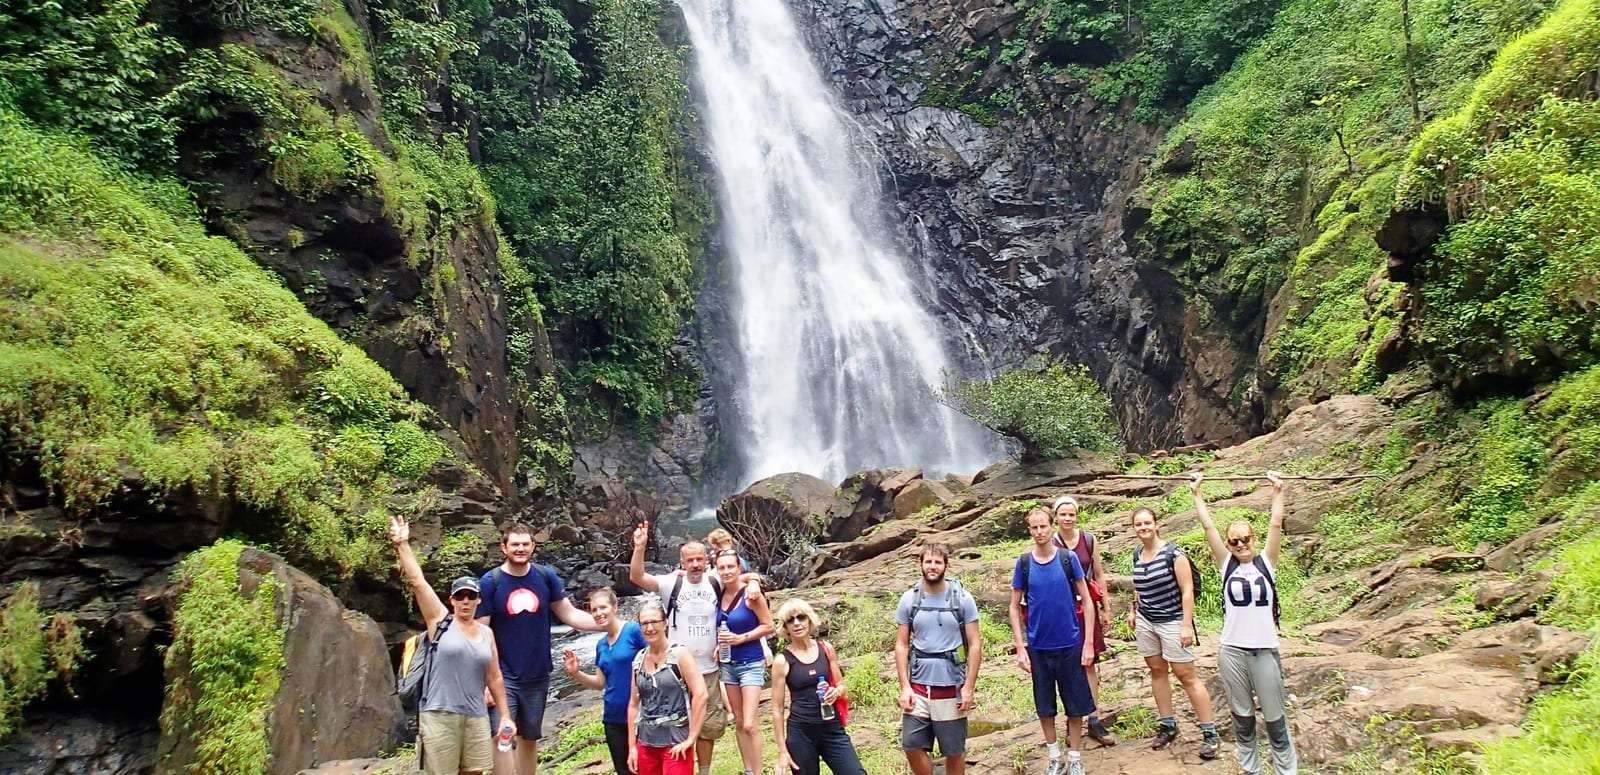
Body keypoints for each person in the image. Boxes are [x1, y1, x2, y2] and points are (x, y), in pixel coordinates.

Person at [389, 515, 514, 775]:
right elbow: (418, 582)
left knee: (475, 771)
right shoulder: (440, 622)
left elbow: (495, 677)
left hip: (476, 716)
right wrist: (402, 544)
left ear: (479, 600)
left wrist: (505, 715)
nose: (466, 601)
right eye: (460, 597)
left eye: (471, 596)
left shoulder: (486, 633)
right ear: (452, 600)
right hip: (439, 714)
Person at [1192, 471, 1299, 775]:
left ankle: (1285, 771)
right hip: (1233, 651)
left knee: (1276, 717)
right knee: (1243, 717)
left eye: (1245, 539)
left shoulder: (1267, 562)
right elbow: (1208, 526)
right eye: (1234, 541)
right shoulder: (1226, 566)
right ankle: (1251, 770)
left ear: (1254, 539)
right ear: (1229, 544)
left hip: (1265, 650)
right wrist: (1197, 495)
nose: (1240, 545)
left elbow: (1276, 524)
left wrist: (1279, 492)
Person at [477, 523, 601, 775]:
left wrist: (610, 626)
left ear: (533, 546)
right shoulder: (491, 582)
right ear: (504, 547)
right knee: (502, 735)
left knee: (530, 737)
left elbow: (569, 614)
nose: (520, 549)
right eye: (515, 544)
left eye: (525, 544)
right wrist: (483, 682)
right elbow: (480, 635)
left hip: (537, 672)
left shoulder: (546, 577)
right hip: (502, 675)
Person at [629, 523, 736, 775]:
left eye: (700, 559)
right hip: (673, 671)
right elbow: (637, 577)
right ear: (682, 563)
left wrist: (753, 583)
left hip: (708, 668)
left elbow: (743, 576)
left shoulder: (715, 581)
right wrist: (639, 547)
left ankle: (705, 771)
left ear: (707, 560)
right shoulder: (670, 584)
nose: (695, 564)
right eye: (690, 560)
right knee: (676, 723)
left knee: (707, 726)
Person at [1127, 506, 1220, 758]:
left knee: (1186, 675)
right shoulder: (1137, 555)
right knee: (1157, 671)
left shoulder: (1174, 554)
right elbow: (1139, 587)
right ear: (1134, 528)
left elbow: (1187, 590)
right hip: (1147, 622)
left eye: (1147, 523)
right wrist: (1134, 611)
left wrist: (1186, 624)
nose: (1143, 528)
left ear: (1156, 524)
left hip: (1172, 621)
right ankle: (1167, 724)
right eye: (1138, 524)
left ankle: (1210, 733)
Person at [1010, 507, 1097, 775]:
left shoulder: (1067, 559)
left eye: (1043, 527)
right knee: (1045, 706)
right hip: (1038, 647)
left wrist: (1088, 642)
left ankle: (1074, 756)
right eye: (1034, 528)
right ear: (1029, 531)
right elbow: (1013, 607)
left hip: (1070, 642)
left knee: (1076, 704)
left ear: (1051, 527)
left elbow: (1088, 600)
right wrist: (1021, 647)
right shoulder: (1024, 563)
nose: (1039, 532)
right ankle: (1054, 755)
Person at [895, 543, 982, 775]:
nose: (932, 566)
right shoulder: (908, 600)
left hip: (951, 686)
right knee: (912, 745)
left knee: (953, 750)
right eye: (928, 562)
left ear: (946, 565)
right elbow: (902, 644)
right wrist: (904, 686)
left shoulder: (962, 599)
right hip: (919, 687)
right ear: (920, 564)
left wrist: (969, 687)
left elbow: (975, 644)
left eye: (937, 562)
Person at [772, 598, 865, 775]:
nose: (797, 623)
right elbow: (777, 710)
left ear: (810, 620)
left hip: (832, 727)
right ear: (785, 628)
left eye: (801, 617)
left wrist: (836, 692)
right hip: (801, 732)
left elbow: (842, 686)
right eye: (790, 620)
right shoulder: (782, 660)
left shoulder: (825, 648)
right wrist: (782, 752)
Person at [1051, 496, 1116, 746]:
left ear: (1077, 516)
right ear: (1055, 517)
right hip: (1062, 613)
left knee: (1089, 664)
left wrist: (1106, 608)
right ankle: (1072, 720)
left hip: (1087, 609)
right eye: (1063, 514)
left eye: (1071, 514)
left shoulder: (1089, 540)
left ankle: (1094, 719)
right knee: (1068, 667)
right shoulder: (1051, 542)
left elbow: (1098, 574)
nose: (1067, 519)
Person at [563, 588, 647, 775]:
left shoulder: (633, 630)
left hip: (640, 716)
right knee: (623, 770)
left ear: (615, 607)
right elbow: (600, 683)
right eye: (594, 610)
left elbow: (657, 660)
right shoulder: (601, 644)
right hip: (612, 718)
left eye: (603, 607)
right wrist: (576, 673)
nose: (599, 613)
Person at [628, 601, 709, 775]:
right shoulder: (639, 659)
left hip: (675, 741)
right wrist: (632, 747)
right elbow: (633, 704)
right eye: (644, 623)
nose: (650, 628)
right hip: (646, 742)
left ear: (664, 623)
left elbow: (701, 694)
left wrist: (691, 738)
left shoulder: (680, 654)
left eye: (654, 622)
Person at [713, 548, 774, 775]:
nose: (727, 571)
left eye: (731, 566)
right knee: (738, 722)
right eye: (722, 567)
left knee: (749, 723)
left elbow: (769, 626)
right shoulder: (719, 594)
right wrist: (720, 645)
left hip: (751, 662)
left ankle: (758, 772)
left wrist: (742, 638)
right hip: (728, 665)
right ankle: (748, 770)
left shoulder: (751, 595)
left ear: (739, 568)